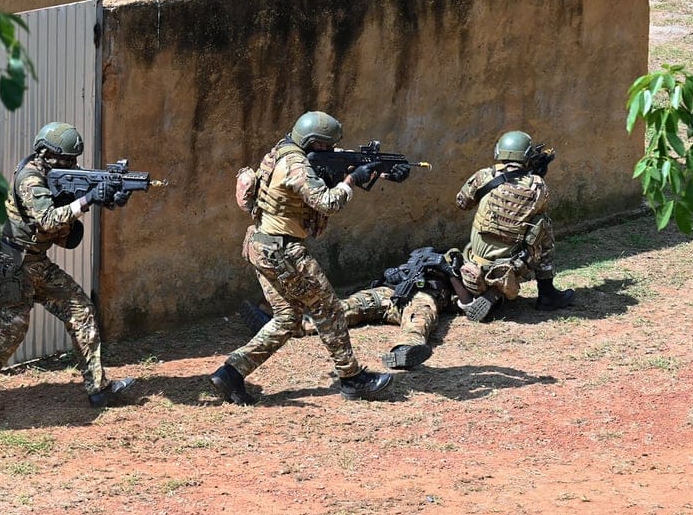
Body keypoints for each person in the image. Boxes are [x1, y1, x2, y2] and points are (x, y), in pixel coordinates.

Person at [209, 111, 404, 405]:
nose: (330, 150)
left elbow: (333, 163)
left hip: (261, 245)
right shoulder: (296, 164)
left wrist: (381, 171)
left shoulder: (281, 151)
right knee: (331, 311)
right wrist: (351, 181)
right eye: (326, 145)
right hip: (283, 251)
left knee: (287, 319)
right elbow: (327, 202)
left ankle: (231, 373)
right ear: (313, 142)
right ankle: (352, 379)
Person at [0, 122, 136, 418]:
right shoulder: (30, 179)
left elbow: (74, 202)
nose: (72, 165)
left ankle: (98, 389)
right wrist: (88, 199)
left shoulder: (53, 174)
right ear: (46, 154)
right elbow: (49, 220)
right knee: (12, 331)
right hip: (12, 264)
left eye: (73, 160)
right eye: (66, 160)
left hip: (35, 261)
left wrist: (108, 197)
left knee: (80, 309)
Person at [240, 245, 475, 370]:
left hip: (422, 298)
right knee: (341, 309)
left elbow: (466, 304)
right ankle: (287, 325)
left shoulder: (452, 276)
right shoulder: (415, 261)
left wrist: (448, 272)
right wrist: (397, 273)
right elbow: (387, 277)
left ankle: (406, 350)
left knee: (418, 320)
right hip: (390, 293)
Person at [455, 130, 575, 322]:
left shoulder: (484, 176)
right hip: (512, 266)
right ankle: (547, 294)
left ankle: (489, 292)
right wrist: (534, 176)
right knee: (543, 225)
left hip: (474, 263)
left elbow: (462, 203)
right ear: (527, 155)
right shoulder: (538, 186)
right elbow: (537, 211)